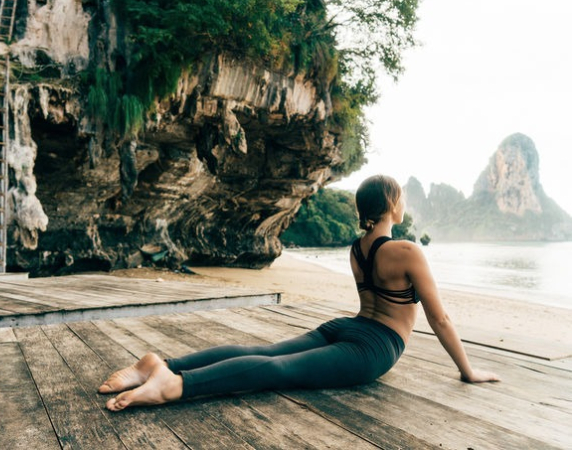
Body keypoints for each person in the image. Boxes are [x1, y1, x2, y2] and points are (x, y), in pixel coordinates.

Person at [98, 175, 500, 411]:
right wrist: (467, 371)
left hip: (345, 328)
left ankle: (161, 364)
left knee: (265, 352)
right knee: (279, 369)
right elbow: (439, 318)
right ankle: (174, 385)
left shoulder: (357, 248)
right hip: (375, 346)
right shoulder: (407, 251)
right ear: (393, 204)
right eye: (403, 197)